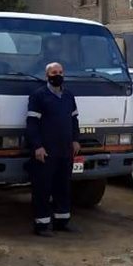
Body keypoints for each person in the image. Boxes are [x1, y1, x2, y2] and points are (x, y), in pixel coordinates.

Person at [27, 62, 81, 236]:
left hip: (65, 150)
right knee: (42, 188)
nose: (57, 75)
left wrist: (75, 140)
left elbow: (74, 120)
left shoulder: (68, 96)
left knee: (63, 187)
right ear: (47, 76)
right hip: (46, 151)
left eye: (60, 72)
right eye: (53, 72)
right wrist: (37, 146)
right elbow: (32, 124)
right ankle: (41, 225)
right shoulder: (38, 96)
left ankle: (62, 222)